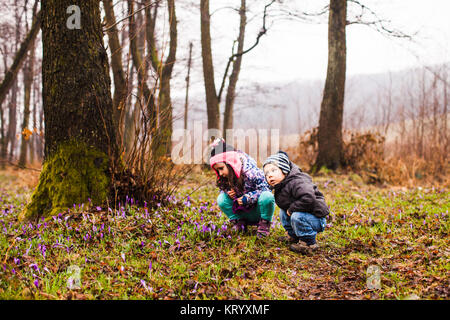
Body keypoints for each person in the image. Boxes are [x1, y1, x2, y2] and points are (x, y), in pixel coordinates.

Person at [263, 151, 329, 254]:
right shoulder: (282, 183)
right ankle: (293, 236)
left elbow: (308, 197)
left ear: (284, 170)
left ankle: (309, 243)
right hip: (304, 213)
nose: (270, 175)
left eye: (273, 170)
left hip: (316, 218)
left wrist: (292, 209)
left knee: (296, 216)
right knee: (283, 212)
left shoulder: (297, 181)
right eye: (267, 173)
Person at [209, 138, 275, 237]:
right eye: (217, 171)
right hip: (241, 212)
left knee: (267, 196)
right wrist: (228, 192)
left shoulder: (252, 173)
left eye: (221, 168)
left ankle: (264, 224)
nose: (220, 173)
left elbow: (266, 189)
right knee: (221, 198)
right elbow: (222, 190)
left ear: (231, 163)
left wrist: (248, 198)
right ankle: (239, 222)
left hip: (257, 211)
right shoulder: (226, 176)